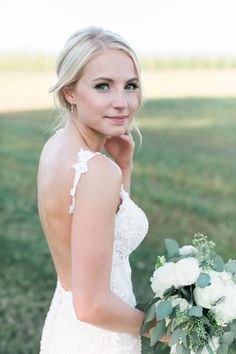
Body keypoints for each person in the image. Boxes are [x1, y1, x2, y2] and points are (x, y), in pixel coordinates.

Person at [37, 26, 166, 353]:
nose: (122, 102)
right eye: (103, 86)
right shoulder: (95, 171)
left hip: (67, 329)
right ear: (70, 92)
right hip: (99, 339)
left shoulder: (56, 148)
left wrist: (123, 168)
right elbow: (92, 305)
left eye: (131, 86)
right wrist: (167, 328)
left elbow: (101, 234)